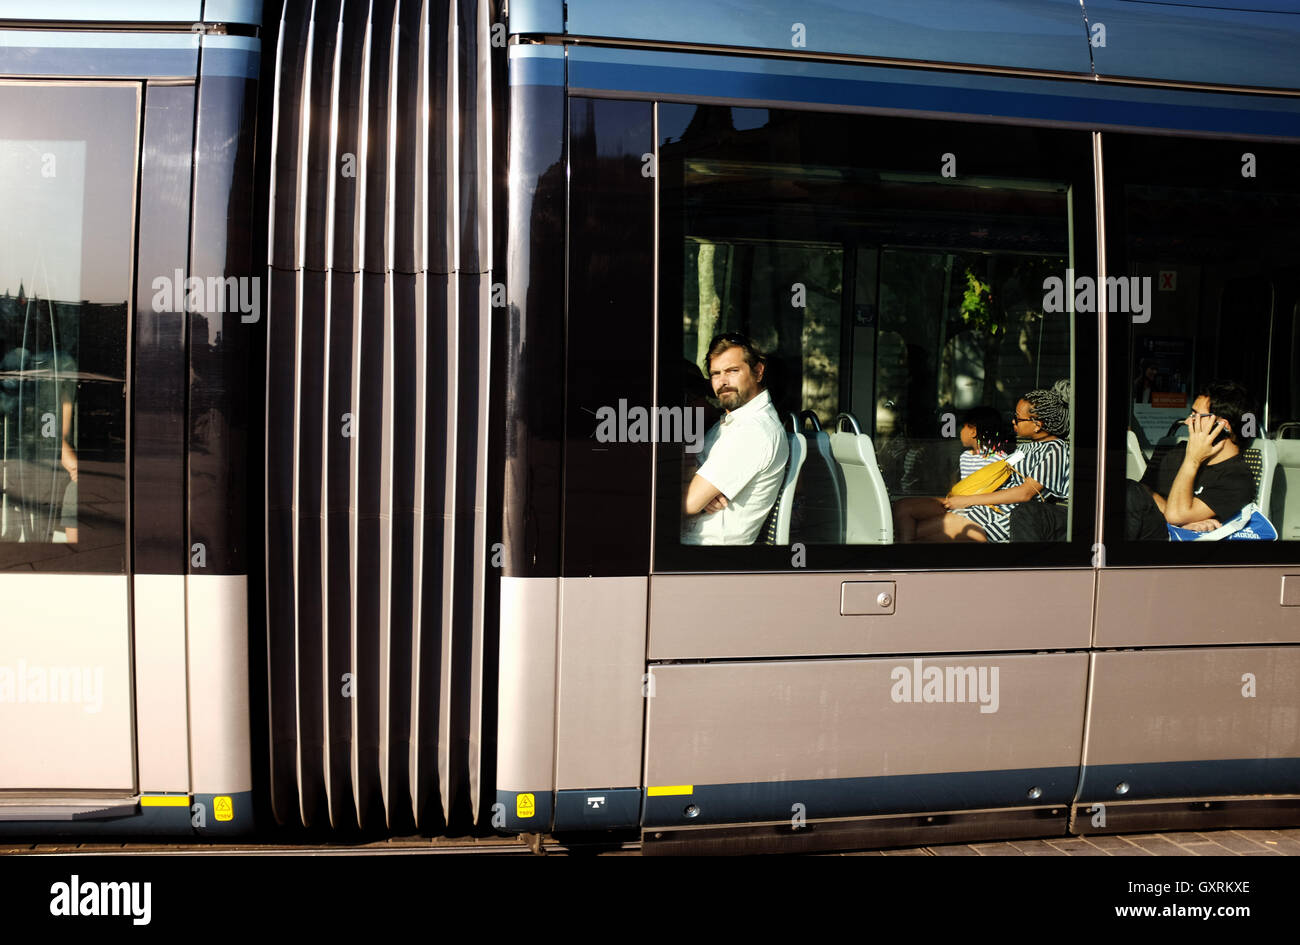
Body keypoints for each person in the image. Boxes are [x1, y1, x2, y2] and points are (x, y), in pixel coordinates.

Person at [919, 380, 1072, 542]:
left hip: (1002, 516)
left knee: (928, 534)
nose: (1013, 421)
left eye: (1017, 418)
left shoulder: (1056, 450)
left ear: (1037, 425)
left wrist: (968, 500)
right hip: (987, 507)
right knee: (915, 526)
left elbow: (1025, 493)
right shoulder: (1027, 447)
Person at [681, 333, 789, 545]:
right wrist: (695, 483)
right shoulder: (735, 420)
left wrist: (695, 489)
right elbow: (691, 477)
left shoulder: (753, 430)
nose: (723, 382)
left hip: (705, 554)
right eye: (715, 374)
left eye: (732, 371)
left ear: (758, 372)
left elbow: (687, 502)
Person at [1132, 380, 1256, 533]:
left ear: (1222, 426)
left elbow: (1175, 515)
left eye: (1196, 416)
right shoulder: (1177, 454)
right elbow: (1141, 491)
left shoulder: (1237, 477)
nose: (1188, 421)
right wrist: (1181, 518)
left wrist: (1193, 460)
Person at [893, 406, 1012, 542]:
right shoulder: (965, 456)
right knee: (902, 506)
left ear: (973, 431)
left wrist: (964, 502)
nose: (959, 432)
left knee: (913, 532)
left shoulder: (999, 461)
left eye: (963, 427)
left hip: (978, 514)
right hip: (959, 504)